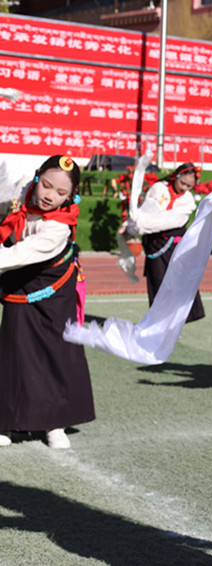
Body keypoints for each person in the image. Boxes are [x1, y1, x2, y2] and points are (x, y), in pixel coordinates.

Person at [0, 155, 95, 449]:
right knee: (14, 351)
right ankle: (7, 422)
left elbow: (17, 255)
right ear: (37, 177)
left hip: (53, 294)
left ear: (71, 196)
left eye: (61, 192)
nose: (49, 195)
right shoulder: (22, 195)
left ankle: (54, 423)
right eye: (46, 185)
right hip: (20, 285)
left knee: (55, 354)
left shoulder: (58, 228)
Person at [127, 163, 205, 322]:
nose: (184, 188)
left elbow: (170, 221)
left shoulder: (188, 201)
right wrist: (134, 223)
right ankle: (158, 321)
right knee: (157, 283)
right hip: (155, 245)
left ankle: (177, 321)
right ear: (176, 176)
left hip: (175, 247)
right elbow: (144, 210)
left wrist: (141, 225)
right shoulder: (158, 189)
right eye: (182, 183)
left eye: (189, 186)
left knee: (180, 283)